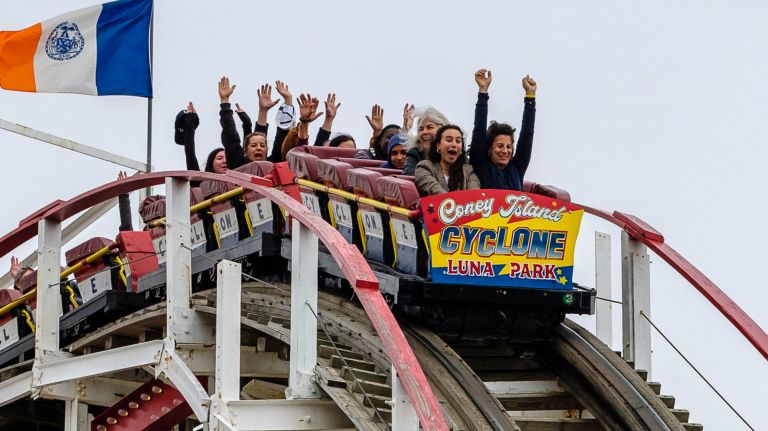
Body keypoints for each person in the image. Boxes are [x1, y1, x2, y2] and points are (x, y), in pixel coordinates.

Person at [469, 69, 537, 190]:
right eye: (500, 146)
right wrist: (483, 92)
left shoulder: (517, 168)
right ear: (489, 148)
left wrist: (530, 97)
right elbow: (479, 130)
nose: (505, 151)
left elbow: (527, 135)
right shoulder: (480, 165)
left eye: (508, 147)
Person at [415, 125, 480, 196]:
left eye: (458, 141)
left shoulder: (468, 170)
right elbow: (435, 191)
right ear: (438, 145)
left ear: (461, 150)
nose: (454, 144)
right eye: (449, 140)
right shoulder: (425, 167)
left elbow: (474, 196)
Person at [403, 106, 450, 175]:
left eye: (430, 127)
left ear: (442, 130)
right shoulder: (415, 153)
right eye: (421, 129)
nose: (424, 132)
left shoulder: (453, 152)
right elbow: (409, 174)